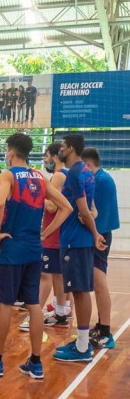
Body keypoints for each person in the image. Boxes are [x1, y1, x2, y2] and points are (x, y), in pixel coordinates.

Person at [0, 133, 72, 379]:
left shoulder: (9, 175)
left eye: (6, 150)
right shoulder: (39, 176)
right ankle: (36, 363)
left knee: (4, 303)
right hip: (33, 250)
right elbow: (67, 207)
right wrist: (44, 234)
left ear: (11, 151)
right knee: (33, 304)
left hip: (13, 248)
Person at [53, 134, 107, 362]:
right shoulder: (85, 171)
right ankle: (82, 342)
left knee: (80, 291)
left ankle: (83, 348)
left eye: (62, 147)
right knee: (80, 290)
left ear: (71, 148)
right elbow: (91, 207)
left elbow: (84, 210)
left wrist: (95, 234)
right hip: (78, 238)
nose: (59, 151)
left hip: (75, 239)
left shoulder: (74, 173)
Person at [18, 143, 70, 331]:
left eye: (47, 156)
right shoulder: (68, 174)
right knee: (57, 275)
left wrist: (38, 194)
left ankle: (35, 315)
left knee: (45, 275)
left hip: (53, 231)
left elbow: (52, 206)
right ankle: (61, 312)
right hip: (60, 232)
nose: (45, 160)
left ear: (56, 156)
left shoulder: (58, 175)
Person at [82, 148, 119, 349]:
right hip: (98, 234)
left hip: (101, 235)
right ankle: (100, 325)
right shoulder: (101, 178)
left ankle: (105, 331)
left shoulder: (101, 181)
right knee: (97, 283)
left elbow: (96, 214)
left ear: (88, 164)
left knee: (99, 282)